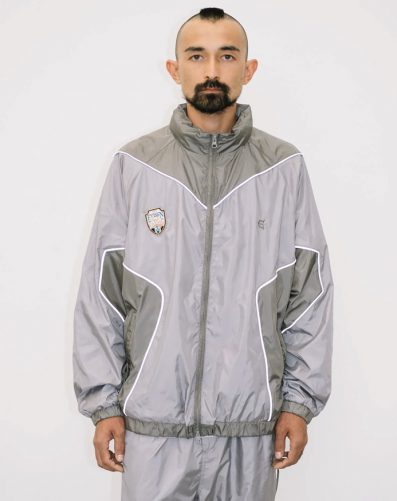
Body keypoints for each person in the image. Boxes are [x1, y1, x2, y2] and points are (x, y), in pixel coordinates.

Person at [72, 7, 334, 500]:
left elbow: (310, 296)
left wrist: (298, 405)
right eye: (197, 56)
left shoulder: (283, 168)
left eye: (226, 56)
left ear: (248, 69)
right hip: (153, 430)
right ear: (175, 69)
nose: (212, 69)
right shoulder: (135, 166)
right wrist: (104, 406)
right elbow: (101, 295)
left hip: (250, 431)